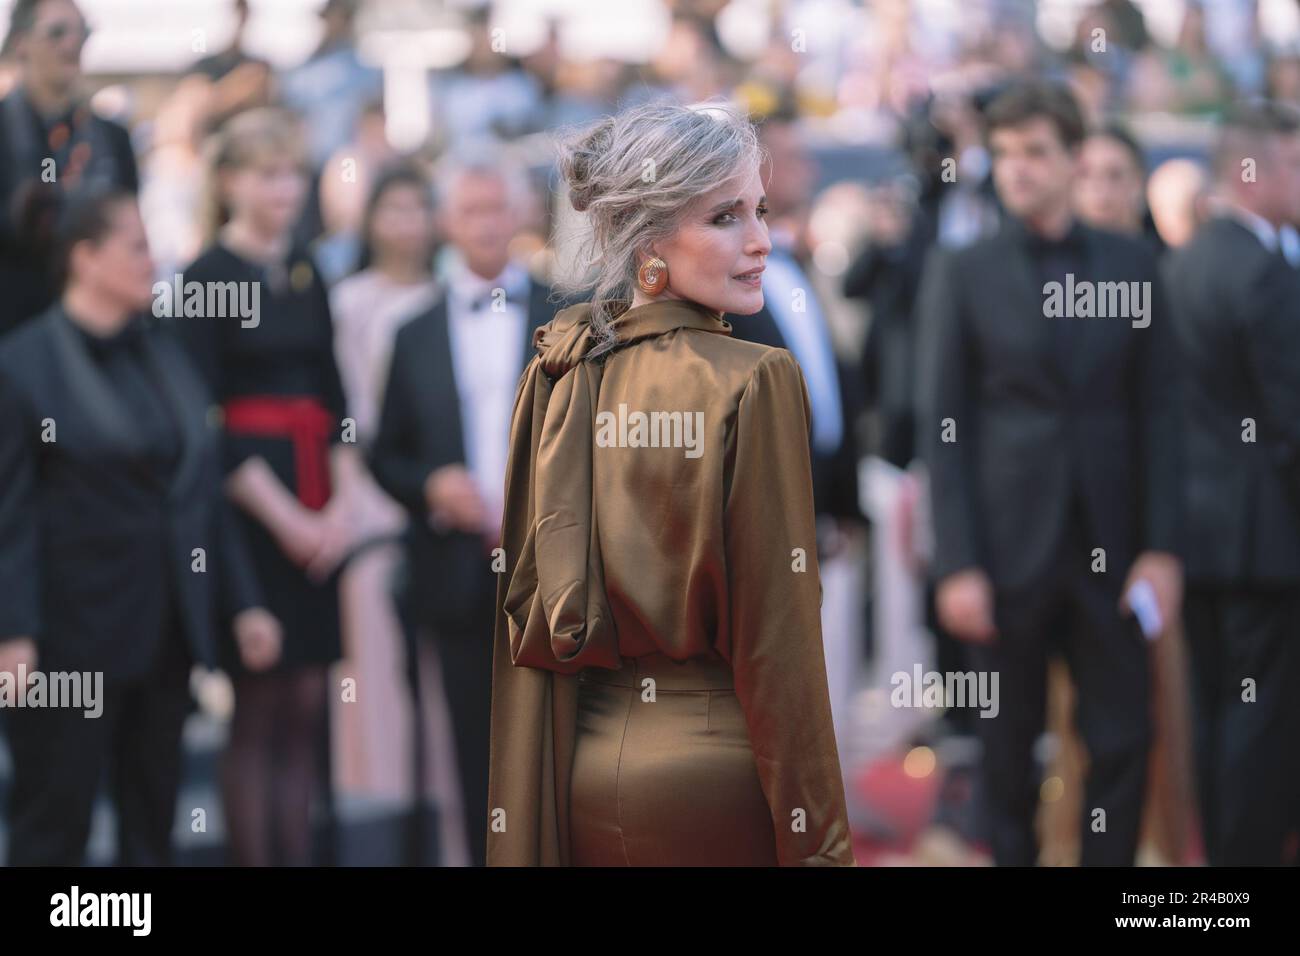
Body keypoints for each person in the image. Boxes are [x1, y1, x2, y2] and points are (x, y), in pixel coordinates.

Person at [485, 101, 856, 866]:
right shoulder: (755, 379)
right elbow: (778, 648)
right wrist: (822, 846)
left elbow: (527, 626)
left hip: (582, 775)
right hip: (717, 783)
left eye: (759, 209)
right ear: (648, 240)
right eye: (724, 217)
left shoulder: (558, 370)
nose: (761, 240)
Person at [916, 81, 1183, 866]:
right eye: (1002, 155)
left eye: (1035, 152)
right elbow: (944, 428)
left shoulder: (1135, 263)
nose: (1017, 170)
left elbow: (1161, 416)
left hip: (1116, 550)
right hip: (1003, 556)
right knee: (1005, 757)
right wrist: (958, 562)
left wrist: (1164, 548)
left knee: (1124, 739)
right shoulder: (962, 272)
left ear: (1074, 158)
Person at [0, 188, 278, 865]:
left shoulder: (165, 350)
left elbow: (200, 491)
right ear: (84, 257)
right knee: (53, 826)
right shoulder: (21, 364)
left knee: (152, 828)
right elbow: (9, 512)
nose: (152, 261)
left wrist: (242, 603)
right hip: (65, 645)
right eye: (135, 245)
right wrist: (13, 634)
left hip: (164, 636)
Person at [369, 152, 557, 867]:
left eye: (495, 208)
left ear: (519, 215)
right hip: (453, 575)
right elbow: (384, 453)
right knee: (475, 752)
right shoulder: (412, 332)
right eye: (469, 210)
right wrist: (430, 487)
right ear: (445, 222)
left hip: (552, 570)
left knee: (558, 744)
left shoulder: (562, 312)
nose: (484, 223)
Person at [178, 108, 351, 867]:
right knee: (258, 705)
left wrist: (336, 509)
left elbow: (337, 401)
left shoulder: (309, 271)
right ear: (228, 182)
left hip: (317, 501)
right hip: (247, 518)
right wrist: (287, 519)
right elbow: (203, 420)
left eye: (291, 173)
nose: (283, 189)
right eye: (265, 173)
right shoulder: (204, 277)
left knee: (309, 703)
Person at [1164, 100, 1300, 865]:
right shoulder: (1268, 274)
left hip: (1195, 538)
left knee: (1217, 713)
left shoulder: (1180, 262)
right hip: (1268, 542)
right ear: (1258, 172)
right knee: (1262, 722)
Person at [328, 164, 437, 806]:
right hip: (366, 506)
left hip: (438, 504)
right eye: (392, 208)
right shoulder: (349, 303)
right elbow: (346, 419)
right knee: (372, 676)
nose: (406, 223)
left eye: (418, 207)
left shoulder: (450, 297)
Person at [0, 0, 139, 337]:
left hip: (95, 330)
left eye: (83, 32)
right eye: (57, 32)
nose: (72, 44)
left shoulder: (111, 137)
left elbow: (128, 227)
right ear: (21, 42)